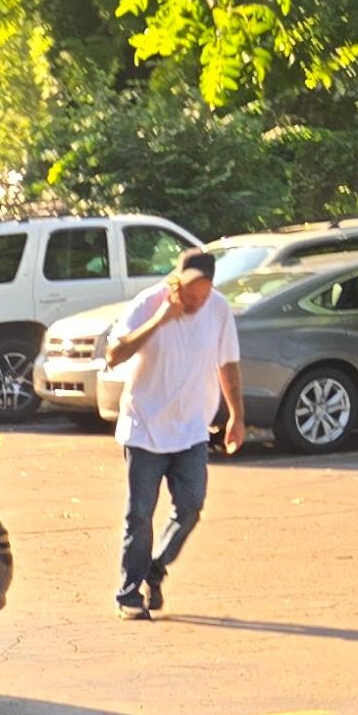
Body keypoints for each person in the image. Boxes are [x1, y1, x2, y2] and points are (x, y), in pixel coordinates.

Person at [98, 245, 244, 616]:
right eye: (189, 293)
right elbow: (113, 355)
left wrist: (236, 416)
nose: (196, 301)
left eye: (203, 293)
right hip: (145, 427)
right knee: (140, 515)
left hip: (192, 428)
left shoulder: (219, 309)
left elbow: (227, 364)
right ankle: (129, 595)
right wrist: (160, 319)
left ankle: (155, 567)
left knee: (191, 507)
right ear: (175, 282)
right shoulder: (149, 304)